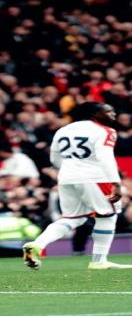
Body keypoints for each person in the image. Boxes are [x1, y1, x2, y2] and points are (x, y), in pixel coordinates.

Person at [23, 102, 132, 270]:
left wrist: (72, 169)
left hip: (67, 177)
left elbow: (54, 159)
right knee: (107, 216)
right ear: (94, 114)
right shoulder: (105, 131)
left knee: (72, 218)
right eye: (108, 111)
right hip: (96, 178)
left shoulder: (63, 130)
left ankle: (37, 244)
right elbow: (105, 158)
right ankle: (99, 261)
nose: (113, 115)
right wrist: (115, 183)